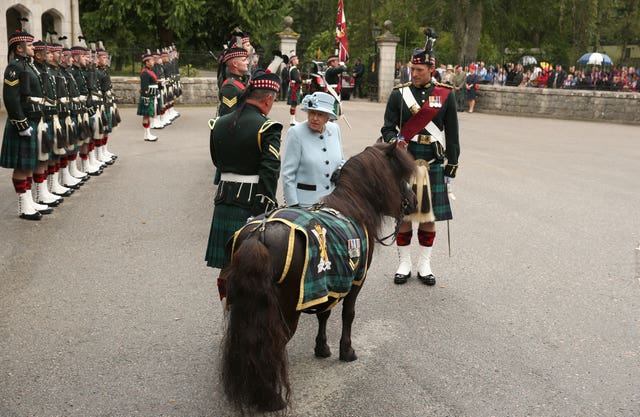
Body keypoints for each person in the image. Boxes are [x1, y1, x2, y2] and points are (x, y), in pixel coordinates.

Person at [380, 45, 460, 287]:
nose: (413, 73)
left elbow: (453, 133)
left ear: (431, 68)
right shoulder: (399, 94)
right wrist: (394, 142)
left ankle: (424, 265)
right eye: (411, 69)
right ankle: (404, 263)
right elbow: (387, 127)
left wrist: (452, 165)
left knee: (428, 216)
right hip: (405, 163)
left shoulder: (445, 94)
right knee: (403, 214)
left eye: (418, 69)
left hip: (433, 162)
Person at [205, 70, 282, 295]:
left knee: (227, 265)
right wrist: (265, 206)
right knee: (255, 268)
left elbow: (216, 160)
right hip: (252, 203)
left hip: (224, 200)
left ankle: (227, 309)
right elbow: (270, 171)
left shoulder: (218, 123)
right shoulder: (267, 127)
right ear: (268, 99)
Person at [1, 28, 54, 220]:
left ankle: (30, 201)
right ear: (20, 49)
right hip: (23, 122)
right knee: (23, 165)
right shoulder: (14, 68)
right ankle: (23, 206)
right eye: (29, 45)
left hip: (35, 118)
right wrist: (21, 124)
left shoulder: (29, 67)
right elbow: (11, 99)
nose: (32, 47)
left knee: (31, 163)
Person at [281, 92, 344, 208]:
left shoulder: (335, 129)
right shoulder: (296, 133)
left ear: (328, 118)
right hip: (305, 205)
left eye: (320, 114)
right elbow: (288, 174)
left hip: (332, 203)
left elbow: (341, 160)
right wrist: (293, 205)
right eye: (312, 113)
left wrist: (339, 170)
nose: (314, 118)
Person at [217, 47, 249, 116]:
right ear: (235, 64)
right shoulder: (230, 87)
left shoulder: (241, 81)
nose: (247, 62)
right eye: (244, 60)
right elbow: (229, 116)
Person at [137, 50, 159, 141]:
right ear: (147, 62)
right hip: (147, 96)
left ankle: (148, 134)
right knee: (146, 116)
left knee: (148, 116)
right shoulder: (145, 73)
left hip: (151, 96)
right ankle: (147, 134)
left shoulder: (150, 71)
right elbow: (144, 87)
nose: (153, 62)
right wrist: (145, 98)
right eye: (151, 60)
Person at [286, 54, 302, 125]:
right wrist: (304, 81)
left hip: (293, 88)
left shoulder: (293, 68)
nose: (298, 60)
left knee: (294, 104)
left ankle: (293, 120)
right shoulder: (294, 69)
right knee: (293, 104)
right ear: (293, 61)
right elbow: (297, 80)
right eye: (296, 59)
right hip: (294, 88)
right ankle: (292, 120)